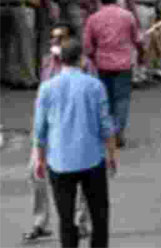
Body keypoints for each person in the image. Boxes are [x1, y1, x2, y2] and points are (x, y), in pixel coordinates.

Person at [32, 38, 118, 248]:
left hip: (59, 161)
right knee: (99, 215)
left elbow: (40, 130)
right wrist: (111, 155)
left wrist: (40, 160)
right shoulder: (95, 86)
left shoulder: (47, 88)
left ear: (60, 60)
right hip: (92, 159)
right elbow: (106, 125)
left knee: (65, 217)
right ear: (82, 60)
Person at [24, 26, 96, 244]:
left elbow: (94, 97)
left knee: (81, 178)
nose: (54, 42)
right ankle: (40, 222)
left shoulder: (86, 66)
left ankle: (81, 222)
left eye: (60, 38)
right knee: (35, 173)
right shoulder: (47, 63)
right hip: (49, 128)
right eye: (52, 37)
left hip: (76, 130)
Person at [83, 0, 141, 148]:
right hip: (123, 64)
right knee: (122, 99)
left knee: (105, 99)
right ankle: (117, 132)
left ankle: (107, 132)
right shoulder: (127, 16)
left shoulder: (93, 19)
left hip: (102, 64)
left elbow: (87, 46)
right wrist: (141, 54)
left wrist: (93, 58)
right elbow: (137, 39)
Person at [127, 0, 159, 87]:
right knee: (139, 42)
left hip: (151, 7)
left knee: (148, 42)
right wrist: (133, 14)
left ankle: (144, 72)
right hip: (140, 7)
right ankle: (135, 75)